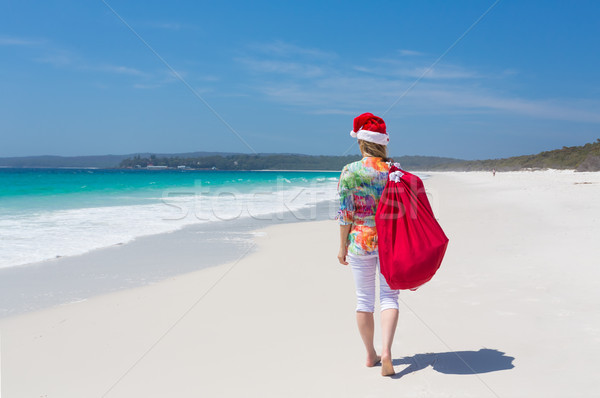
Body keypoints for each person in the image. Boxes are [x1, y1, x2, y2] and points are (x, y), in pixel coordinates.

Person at [336, 112, 400, 377]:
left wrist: (342, 248)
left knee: (364, 300)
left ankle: (371, 354)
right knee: (390, 297)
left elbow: (345, 214)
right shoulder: (393, 170)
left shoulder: (350, 171)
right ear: (382, 143)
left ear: (361, 142)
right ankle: (386, 350)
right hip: (389, 241)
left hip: (360, 241)